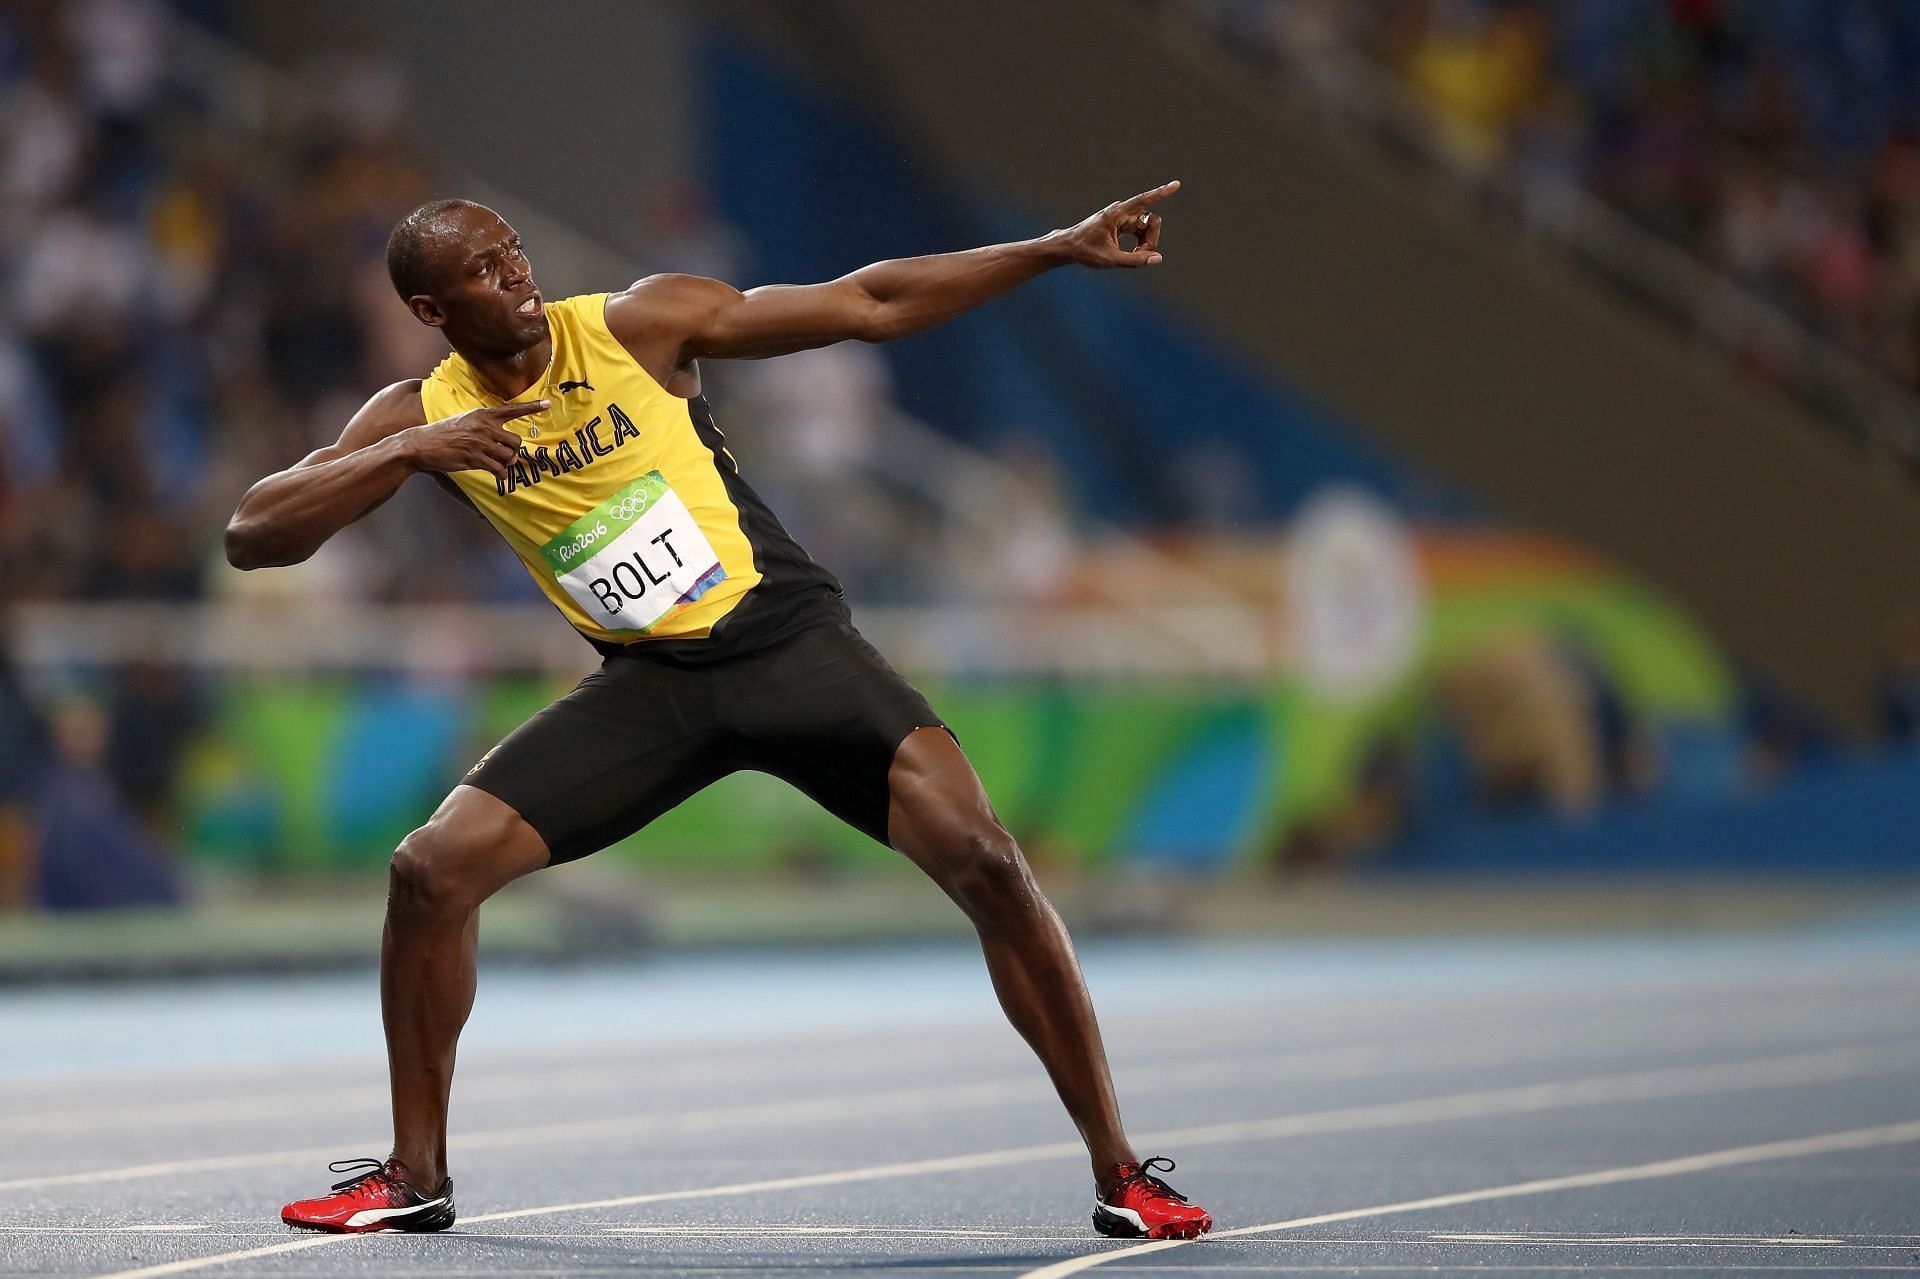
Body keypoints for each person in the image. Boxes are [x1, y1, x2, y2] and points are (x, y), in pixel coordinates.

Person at [226, 184, 1211, 1241]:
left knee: (987, 858)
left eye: (515, 251)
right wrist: (409, 453)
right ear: (430, 309)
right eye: (484, 267)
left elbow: (869, 303)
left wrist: (1055, 249)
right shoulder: (421, 415)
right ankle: (415, 1174)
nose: (516, 273)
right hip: (651, 691)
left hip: (790, 647)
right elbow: (252, 533)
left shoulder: (639, 324)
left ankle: (1122, 1171)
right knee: (429, 870)